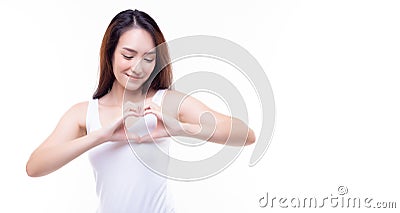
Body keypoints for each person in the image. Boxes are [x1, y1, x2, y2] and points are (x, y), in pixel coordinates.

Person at [26, 9, 256, 212]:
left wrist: (181, 128)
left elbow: (245, 135)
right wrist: (100, 136)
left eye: (148, 59)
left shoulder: (165, 102)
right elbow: (35, 167)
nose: (137, 67)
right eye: (128, 56)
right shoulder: (83, 113)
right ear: (110, 54)